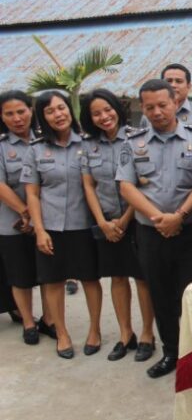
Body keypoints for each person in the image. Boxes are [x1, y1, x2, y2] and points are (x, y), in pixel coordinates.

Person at [116, 79, 192, 378]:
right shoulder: (132, 143)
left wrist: (179, 215)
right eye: (149, 106)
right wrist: (161, 219)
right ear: (142, 107)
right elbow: (127, 187)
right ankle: (171, 352)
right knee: (161, 295)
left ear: (176, 103)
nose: (157, 112)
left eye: (163, 105)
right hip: (151, 234)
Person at [21, 90, 102, 359]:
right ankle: (63, 333)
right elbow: (32, 193)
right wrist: (39, 230)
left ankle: (94, 330)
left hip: (84, 224)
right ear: (43, 117)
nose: (58, 114)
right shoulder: (36, 150)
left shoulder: (89, 144)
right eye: (50, 111)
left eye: (62, 108)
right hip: (51, 225)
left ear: (70, 109)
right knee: (53, 281)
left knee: (90, 279)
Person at [79, 89, 156, 362]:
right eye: (96, 113)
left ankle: (147, 333)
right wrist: (102, 222)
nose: (104, 117)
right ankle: (126, 334)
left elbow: (144, 183)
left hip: (137, 220)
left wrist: (124, 221)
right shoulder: (88, 144)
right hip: (106, 221)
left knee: (143, 278)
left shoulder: (138, 138)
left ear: (117, 108)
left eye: (107, 110)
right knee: (117, 277)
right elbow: (89, 185)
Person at [0, 90, 51, 344]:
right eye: (9, 114)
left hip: (47, 220)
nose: (17, 118)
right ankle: (29, 322)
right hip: (12, 223)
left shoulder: (46, 139)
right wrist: (24, 211)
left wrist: (36, 217)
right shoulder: (1, 145)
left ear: (31, 111)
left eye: (21, 111)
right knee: (19, 275)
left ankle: (50, 319)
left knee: (49, 273)